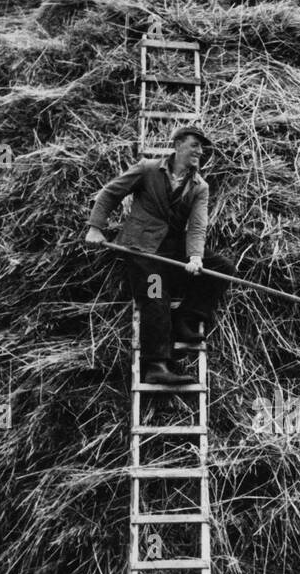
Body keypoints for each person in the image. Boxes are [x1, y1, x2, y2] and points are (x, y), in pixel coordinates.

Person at [85, 127, 234, 387]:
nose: (200, 151)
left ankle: (185, 319)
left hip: (172, 248)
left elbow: (198, 226)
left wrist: (196, 257)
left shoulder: (200, 187)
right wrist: (96, 228)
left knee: (221, 267)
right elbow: (111, 193)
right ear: (177, 145)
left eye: (202, 147)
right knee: (156, 293)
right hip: (142, 248)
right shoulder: (148, 169)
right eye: (194, 145)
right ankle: (157, 365)